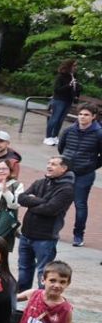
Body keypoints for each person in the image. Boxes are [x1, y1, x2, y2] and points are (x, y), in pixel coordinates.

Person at [16, 155, 76, 289]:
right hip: (26, 234)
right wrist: (41, 201)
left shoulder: (66, 189)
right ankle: (20, 298)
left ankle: (42, 300)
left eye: (54, 164)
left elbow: (50, 209)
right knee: (24, 268)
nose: (49, 166)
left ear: (64, 168)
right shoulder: (40, 182)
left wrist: (32, 202)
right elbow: (21, 198)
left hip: (45, 238)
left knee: (44, 272)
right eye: (48, 163)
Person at [54, 102, 100, 246]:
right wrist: (66, 163)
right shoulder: (69, 130)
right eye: (80, 114)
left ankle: (78, 236)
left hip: (84, 174)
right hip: (66, 172)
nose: (82, 117)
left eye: (86, 115)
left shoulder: (99, 133)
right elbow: (61, 148)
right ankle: (53, 231)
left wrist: (90, 165)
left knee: (80, 205)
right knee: (58, 202)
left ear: (93, 117)